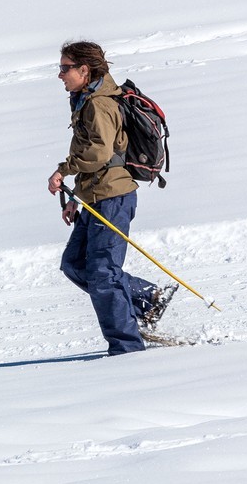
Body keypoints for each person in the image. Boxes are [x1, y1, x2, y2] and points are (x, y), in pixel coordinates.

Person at [46, 42, 173, 355]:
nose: (60, 75)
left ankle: (126, 348)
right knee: (75, 264)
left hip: (113, 197)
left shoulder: (99, 103)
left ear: (84, 70)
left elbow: (100, 152)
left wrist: (63, 170)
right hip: (97, 195)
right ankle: (147, 299)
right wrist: (77, 196)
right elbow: (97, 152)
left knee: (103, 273)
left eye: (65, 68)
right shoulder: (87, 99)